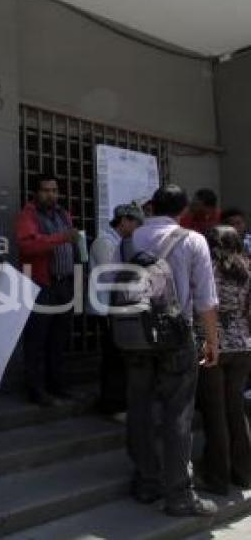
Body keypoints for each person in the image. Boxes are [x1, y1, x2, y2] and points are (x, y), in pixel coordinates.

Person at [123, 184, 220, 517]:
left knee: (139, 408)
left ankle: (146, 481)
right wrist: (212, 340)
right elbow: (206, 299)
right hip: (177, 337)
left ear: (151, 207)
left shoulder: (132, 238)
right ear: (182, 211)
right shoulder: (193, 241)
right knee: (177, 413)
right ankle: (179, 495)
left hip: (135, 335)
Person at [195, 225, 251, 496]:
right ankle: (242, 473)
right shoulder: (247, 268)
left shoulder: (210, 270)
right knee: (236, 410)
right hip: (243, 346)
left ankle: (216, 477)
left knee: (215, 413)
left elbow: (207, 308)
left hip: (214, 346)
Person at [16, 173, 80, 406]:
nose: (51, 194)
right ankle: (35, 390)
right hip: (42, 286)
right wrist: (61, 238)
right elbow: (28, 246)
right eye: (45, 190)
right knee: (37, 340)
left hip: (64, 284)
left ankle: (57, 386)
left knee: (58, 339)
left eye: (54, 190)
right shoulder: (28, 215)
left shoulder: (64, 214)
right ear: (36, 192)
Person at [88, 204, 144, 419]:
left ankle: (118, 401)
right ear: (124, 221)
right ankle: (113, 405)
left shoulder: (120, 242)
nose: (137, 230)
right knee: (113, 357)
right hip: (106, 307)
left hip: (117, 306)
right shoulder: (104, 242)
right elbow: (111, 275)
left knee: (119, 355)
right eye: (136, 224)